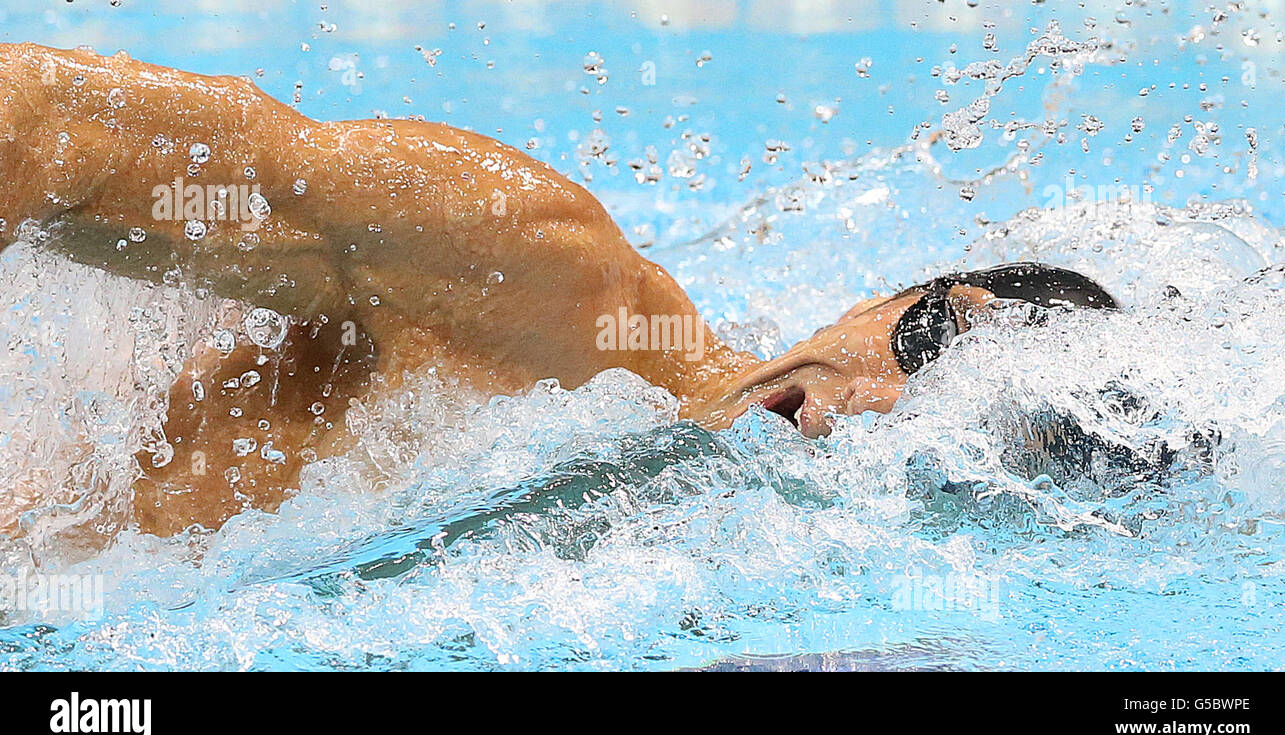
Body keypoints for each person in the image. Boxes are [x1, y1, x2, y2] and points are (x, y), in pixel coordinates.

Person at [0, 43, 1116, 535]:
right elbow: (47, 122)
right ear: (875, 304)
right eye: (926, 344)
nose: (881, 412)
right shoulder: (539, 267)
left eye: (955, 446)